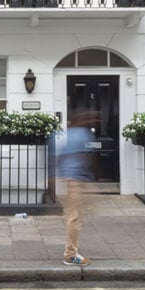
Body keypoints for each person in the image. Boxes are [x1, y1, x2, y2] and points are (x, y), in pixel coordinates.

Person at [57, 111, 97, 266]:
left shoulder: (70, 134)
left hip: (71, 179)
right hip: (77, 180)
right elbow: (87, 157)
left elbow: (60, 157)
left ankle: (71, 250)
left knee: (73, 217)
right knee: (75, 219)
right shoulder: (83, 135)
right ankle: (70, 255)